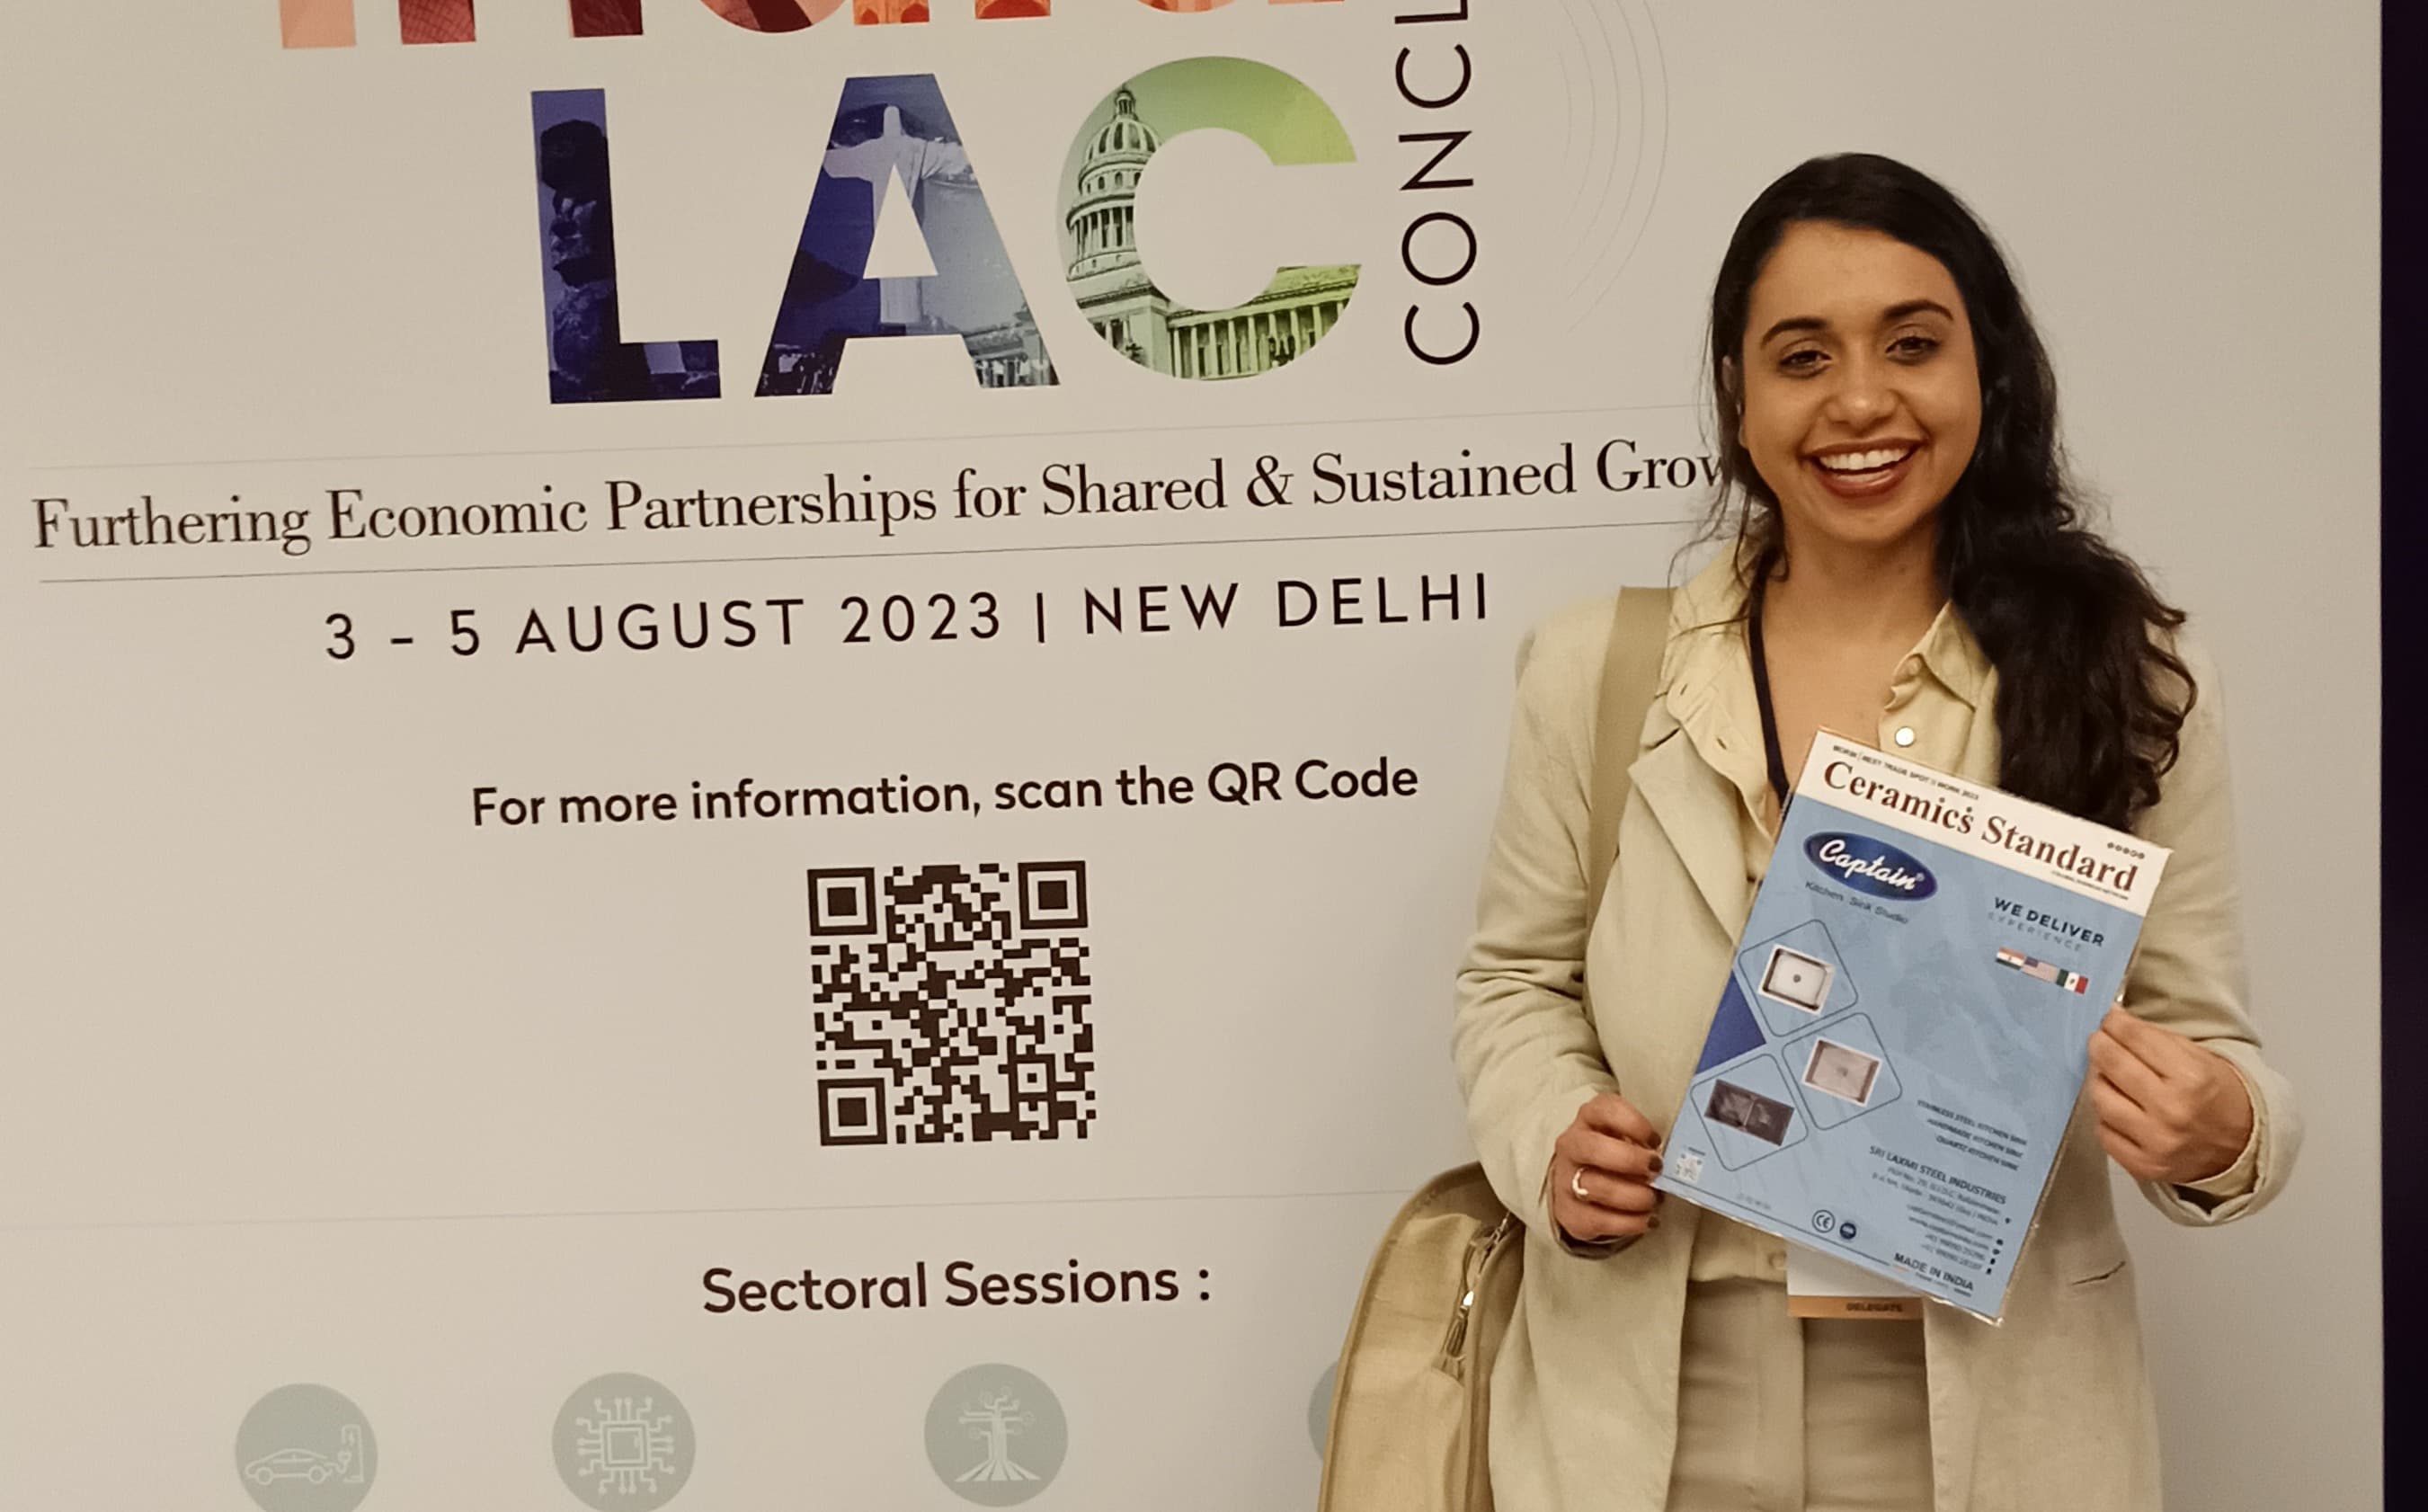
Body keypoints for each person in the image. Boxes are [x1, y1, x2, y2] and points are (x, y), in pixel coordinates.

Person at [1451, 154, 2299, 1512]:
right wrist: (1550, 1129)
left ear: (1989, 372)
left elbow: (2215, 1048)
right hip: (1649, 1391)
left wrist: (2221, 1129)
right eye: (1803, 357)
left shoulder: (2120, 678)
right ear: (1738, 399)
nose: (1859, 402)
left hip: (1989, 1392)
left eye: (1912, 345)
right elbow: (1515, 983)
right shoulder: (1595, 669)